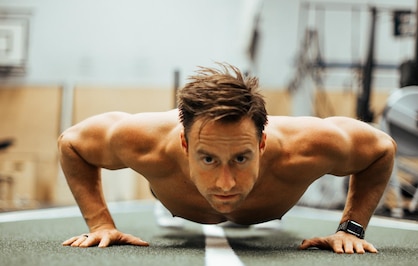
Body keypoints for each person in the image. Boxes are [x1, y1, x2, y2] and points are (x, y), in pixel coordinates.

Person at [58, 63, 396, 254]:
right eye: (208, 159)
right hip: (177, 197)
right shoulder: (145, 141)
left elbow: (381, 149)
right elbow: (71, 143)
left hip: (265, 209)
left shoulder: (306, 147)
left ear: (262, 143)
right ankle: (172, 200)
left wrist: (351, 229)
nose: (225, 182)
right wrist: (101, 223)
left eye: (240, 158)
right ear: (184, 143)